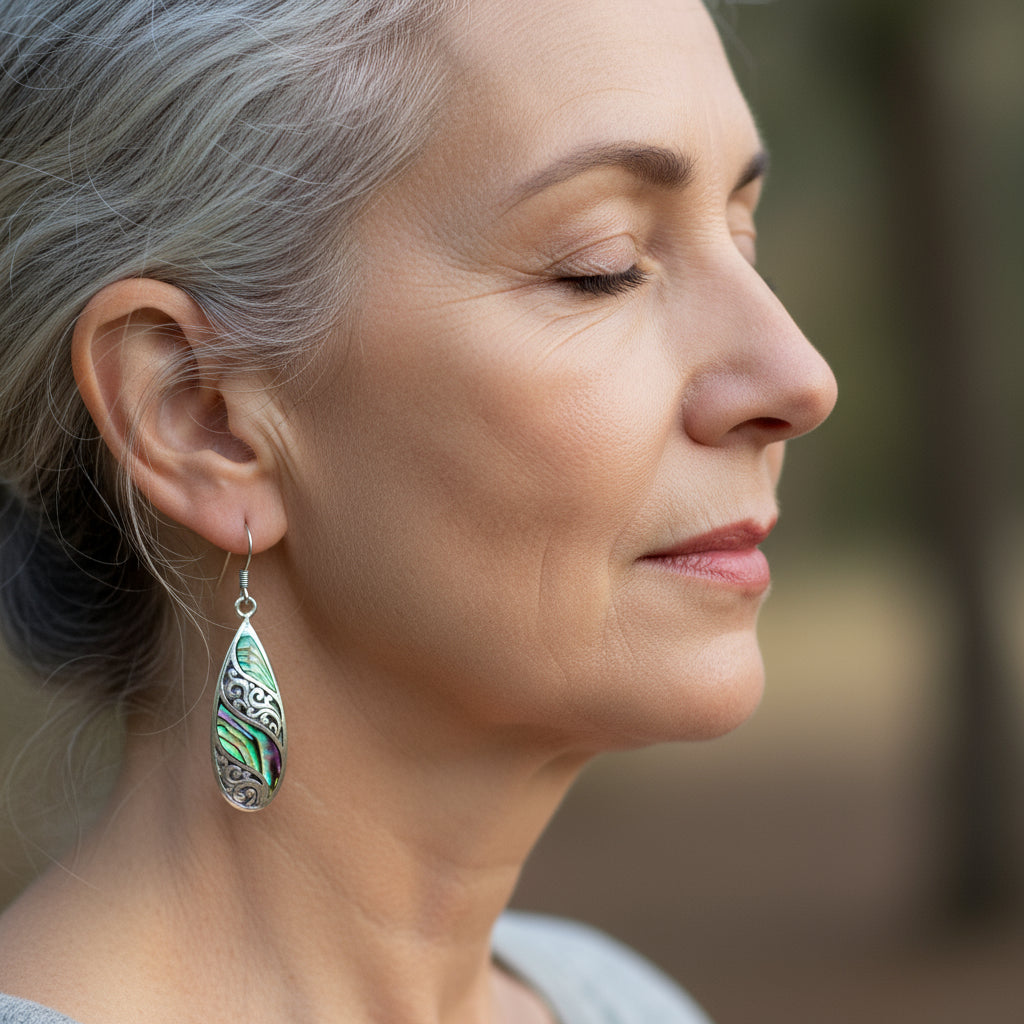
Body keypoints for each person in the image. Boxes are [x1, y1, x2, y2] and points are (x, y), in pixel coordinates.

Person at [0, 0, 837, 1021]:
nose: (798, 376)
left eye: (741, 238)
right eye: (601, 266)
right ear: (202, 416)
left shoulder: (624, 1002)